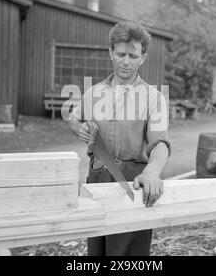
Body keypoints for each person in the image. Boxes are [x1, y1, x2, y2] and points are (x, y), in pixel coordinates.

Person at [67, 20, 171, 256]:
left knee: (127, 257)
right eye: (121, 54)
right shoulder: (93, 93)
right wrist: (79, 128)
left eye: (133, 56)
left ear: (142, 58)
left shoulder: (154, 99)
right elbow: (73, 118)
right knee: (97, 253)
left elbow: (160, 144)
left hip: (132, 184)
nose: (126, 61)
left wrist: (152, 173)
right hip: (96, 181)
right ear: (111, 53)